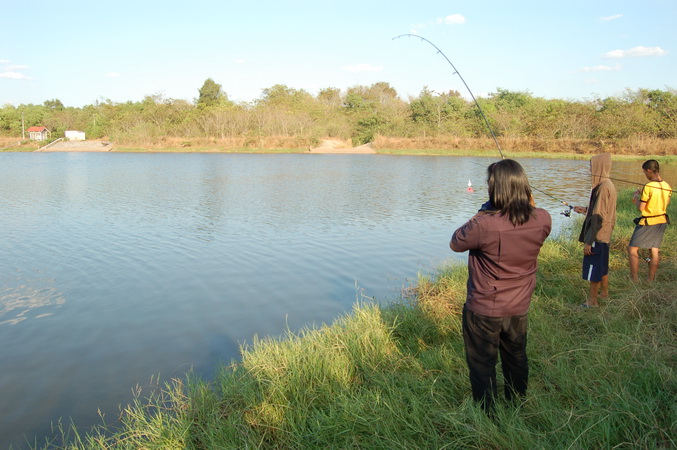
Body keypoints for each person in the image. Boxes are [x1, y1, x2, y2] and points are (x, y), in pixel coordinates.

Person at [450, 159, 551, 412]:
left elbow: (456, 242)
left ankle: (489, 416)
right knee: (516, 356)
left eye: (489, 184)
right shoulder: (543, 219)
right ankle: (518, 402)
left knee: (482, 364)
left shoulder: (484, 223)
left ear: (495, 189)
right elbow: (531, 218)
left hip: (484, 307)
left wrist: (485, 209)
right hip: (519, 305)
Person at [573, 152, 617, 308]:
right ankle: (604, 293)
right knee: (602, 266)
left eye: (592, 166)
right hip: (604, 235)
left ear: (600, 167)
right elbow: (602, 211)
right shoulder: (608, 185)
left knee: (594, 269)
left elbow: (598, 218)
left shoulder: (603, 188)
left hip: (597, 237)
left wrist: (588, 242)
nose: (590, 170)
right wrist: (586, 210)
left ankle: (592, 302)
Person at [627, 160, 672, 282]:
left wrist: (636, 197)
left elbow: (641, 208)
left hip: (648, 222)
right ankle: (650, 280)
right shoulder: (667, 186)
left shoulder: (648, 186)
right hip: (662, 221)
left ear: (649, 171)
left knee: (632, 248)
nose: (645, 175)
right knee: (654, 249)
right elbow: (665, 203)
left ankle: (634, 279)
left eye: (644, 172)